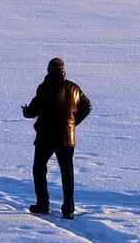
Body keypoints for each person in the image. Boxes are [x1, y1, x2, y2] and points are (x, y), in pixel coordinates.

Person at [22, 57, 91, 219]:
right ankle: (69, 209)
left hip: (46, 136)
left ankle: (43, 204)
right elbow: (87, 107)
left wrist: (26, 112)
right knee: (67, 172)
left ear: (48, 70)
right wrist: (72, 124)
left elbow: (33, 110)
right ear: (63, 71)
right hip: (67, 137)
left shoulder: (45, 87)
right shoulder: (74, 88)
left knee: (39, 169)